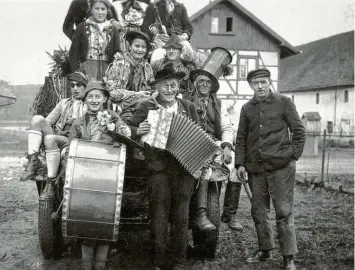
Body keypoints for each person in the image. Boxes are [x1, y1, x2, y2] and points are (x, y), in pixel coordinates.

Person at [127, 65, 199, 270]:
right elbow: (129, 127)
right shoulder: (146, 107)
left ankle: (179, 261)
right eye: (165, 85)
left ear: (178, 87)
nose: (169, 89)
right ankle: (158, 261)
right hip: (158, 168)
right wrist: (137, 129)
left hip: (184, 169)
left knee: (181, 215)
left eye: (173, 85)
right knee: (158, 213)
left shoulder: (188, 106)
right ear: (157, 87)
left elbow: (197, 133)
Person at [234, 68, 306, 270]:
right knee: (258, 211)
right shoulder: (247, 108)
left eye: (263, 82)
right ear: (250, 86)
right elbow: (241, 138)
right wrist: (239, 163)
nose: (260, 86)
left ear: (269, 82)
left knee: (283, 211)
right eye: (256, 83)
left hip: (281, 167)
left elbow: (299, 131)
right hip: (256, 168)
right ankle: (265, 249)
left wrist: (292, 154)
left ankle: (288, 256)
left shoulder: (284, 102)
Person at [67, 79, 131, 270]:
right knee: (87, 217)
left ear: (104, 99)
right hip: (85, 176)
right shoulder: (79, 123)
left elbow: (126, 135)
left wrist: (119, 133)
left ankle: (101, 265)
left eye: (98, 97)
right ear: (85, 100)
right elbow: (72, 145)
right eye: (90, 97)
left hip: (109, 176)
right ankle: (87, 265)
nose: (94, 100)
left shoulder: (113, 118)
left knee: (106, 218)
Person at [188, 49, 243, 232]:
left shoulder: (219, 104)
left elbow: (227, 128)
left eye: (208, 82)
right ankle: (200, 212)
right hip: (191, 143)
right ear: (195, 83)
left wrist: (227, 147)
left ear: (212, 85)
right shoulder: (185, 100)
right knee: (202, 166)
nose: (204, 85)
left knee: (237, 167)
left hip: (214, 143)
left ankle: (230, 214)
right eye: (201, 81)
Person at [20, 71, 88, 181]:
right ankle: (33, 161)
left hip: (72, 139)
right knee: (37, 119)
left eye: (79, 85)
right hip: (57, 136)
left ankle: (50, 180)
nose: (75, 89)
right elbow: (47, 122)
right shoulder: (64, 103)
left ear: (85, 87)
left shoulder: (89, 105)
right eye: (72, 85)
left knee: (51, 139)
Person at [105, 30, 155, 121]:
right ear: (130, 47)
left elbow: (150, 89)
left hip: (140, 106)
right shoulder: (118, 64)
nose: (140, 50)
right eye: (137, 46)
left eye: (143, 47)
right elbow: (111, 92)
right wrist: (135, 95)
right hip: (119, 106)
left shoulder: (147, 67)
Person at [69, 0, 121, 80]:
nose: (100, 12)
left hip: (107, 69)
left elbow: (117, 51)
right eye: (97, 8)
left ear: (107, 11)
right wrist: (76, 73)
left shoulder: (113, 29)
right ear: (91, 10)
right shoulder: (82, 27)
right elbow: (74, 52)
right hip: (87, 68)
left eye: (103, 9)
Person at [151, 34, 197, 98]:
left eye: (175, 48)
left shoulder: (189, 67)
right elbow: (151, 83)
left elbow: (192, 90)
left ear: (181, 51)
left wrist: (182, 97)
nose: (171, 51)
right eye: (168, 48)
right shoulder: (157, 64)